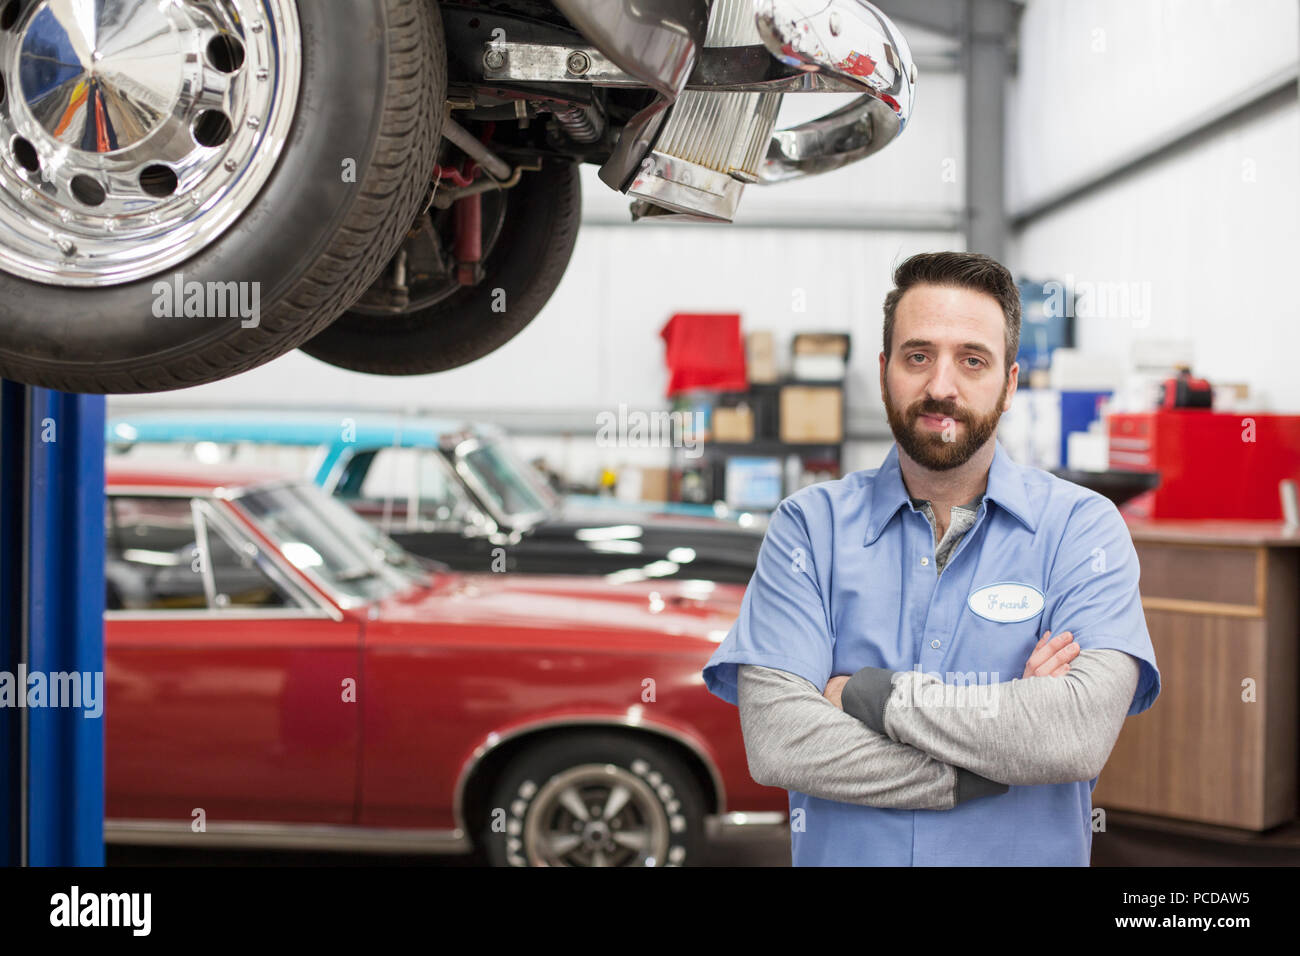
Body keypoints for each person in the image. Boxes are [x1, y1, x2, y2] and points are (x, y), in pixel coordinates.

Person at [702, 251, 1160, 866]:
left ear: (1010, 382)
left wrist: (870, 695)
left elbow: (1072, 733)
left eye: (973, 360)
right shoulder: (809, 528)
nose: (941, 386)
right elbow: (781, 741)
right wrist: (979, 765)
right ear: (887, 369)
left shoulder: (1081, 529)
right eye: (918, 357)